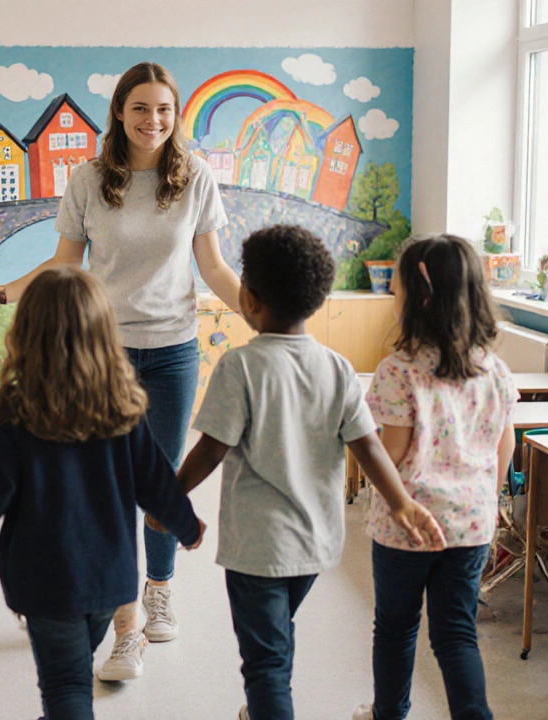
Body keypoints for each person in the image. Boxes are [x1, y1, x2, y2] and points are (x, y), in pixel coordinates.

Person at [0, 61, 240, 681]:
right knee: (106, 483)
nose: (153, 120)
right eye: (140, 108)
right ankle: (120, 619)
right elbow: (65, 261)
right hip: (101, 351)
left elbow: (214, 268)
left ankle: (158, 589)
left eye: (164, 109)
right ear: (119, 111)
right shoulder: (89, 178)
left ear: (176, 115)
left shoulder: (194, 177)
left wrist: (268, 314)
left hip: (173, 349)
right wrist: (3, 292)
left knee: (163, 477)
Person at [168, 226, 445, 720]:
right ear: (316, 300)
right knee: (276, 635)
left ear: (248, 298)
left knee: (265, 663)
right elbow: (368, 447)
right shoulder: (338, 368)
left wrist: (169, 499)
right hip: (316, 545)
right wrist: (401, 503)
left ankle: (268, 704)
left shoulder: (240, 367)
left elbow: (210, 450)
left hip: (257, 549)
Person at [0, 267, 206, 720]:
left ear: (27, 332)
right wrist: (188, 527)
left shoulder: (17, 407)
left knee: (66, 688)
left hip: (44, 581)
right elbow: (157, 483)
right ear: (103, 333)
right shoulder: (122, 403)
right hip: (109, 582)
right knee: (72, 675)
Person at [353, 235, 519, 720]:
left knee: (396, 627)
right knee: (456, 634)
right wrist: (486, 500)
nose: (395, 297)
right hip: (470, 524)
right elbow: (505, 445)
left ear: (420, 299)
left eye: (399, 289)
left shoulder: (398, 371)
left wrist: (359, 453)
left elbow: (392, 452)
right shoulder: (495, 370)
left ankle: (389, 713)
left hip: (406, 524)